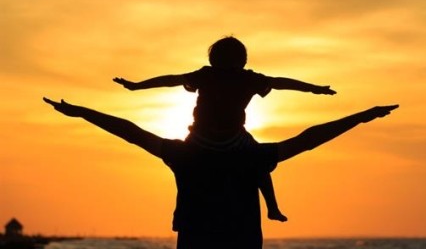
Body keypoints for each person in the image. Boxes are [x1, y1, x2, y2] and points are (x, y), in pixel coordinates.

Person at [43, 97, 397, 249]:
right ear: (241, 122)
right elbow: (308, 139)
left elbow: (130, 131)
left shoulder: (184, 153)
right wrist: (361, 116)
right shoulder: (251, 155)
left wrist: (81, 112)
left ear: (195, 121)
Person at [113, 36, 335, 222]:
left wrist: (137, 86)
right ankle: (272, 207)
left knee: (189, 168)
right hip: (218, 137)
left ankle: (270, 208)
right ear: (242, 59)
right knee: (260, 164)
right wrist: (314, 89)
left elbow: (171, 80)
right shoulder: (236, 77)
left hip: (211, 137)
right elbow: (280, 82)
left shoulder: (214, 75)